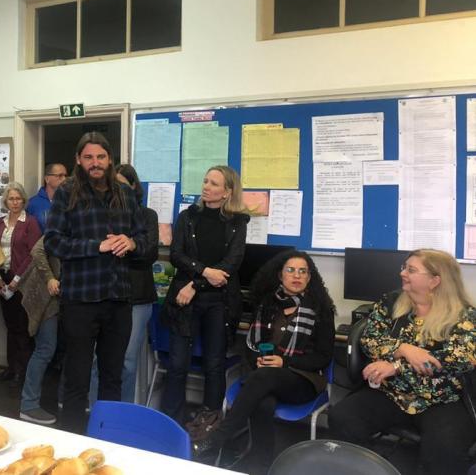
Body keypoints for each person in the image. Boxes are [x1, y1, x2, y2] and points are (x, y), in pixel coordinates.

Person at [329, 249, 476, 475]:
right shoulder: (391, 302)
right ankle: (370, 469)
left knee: (443, 450)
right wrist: (403, 349)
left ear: (435, 280)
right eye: (404, 267)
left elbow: (458, 360)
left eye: (411, 270)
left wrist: (396, 366)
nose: (402, 273)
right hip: (392, 393)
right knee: (343, 418)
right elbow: (369, 340)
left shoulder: (465, 316)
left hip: (442, 399)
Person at [193, 251, 335, 470]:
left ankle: (218, 438)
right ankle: (261, 465)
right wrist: (258, 360)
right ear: (280, 275)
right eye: (291, 270)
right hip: (265, 377)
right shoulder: (267, 304)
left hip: (303, 380)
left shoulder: (320, 309)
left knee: (263, 378)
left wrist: (284, 362)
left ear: (309, 277)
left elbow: (322, 358)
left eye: (302, 271)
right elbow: (251, 346)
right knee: (263, 401)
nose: (296, 276)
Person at [44, 131, 146, 433]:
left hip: (118, 300)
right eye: (88, 157)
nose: (95, 163)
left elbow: (144, 239)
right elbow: (53, 242)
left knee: (113, 377)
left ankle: (107, 440)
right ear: (79, 160)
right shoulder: (67, 192)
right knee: (77, 378)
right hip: (80, 301)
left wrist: (131, 242)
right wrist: (95, 246)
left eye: (100, 157)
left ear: (110, 159)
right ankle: (74, 444)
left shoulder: (126, 194)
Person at [161, 165, 249, 430]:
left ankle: (209, 423)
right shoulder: (188, 217)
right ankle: (171, 421)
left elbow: (230, 265)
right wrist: (205, 272)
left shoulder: (237, 223)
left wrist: (195, 284)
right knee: (177, 364)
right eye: (205, 180)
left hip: (218, 302)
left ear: (227, 192)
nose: (206, 187)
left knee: (214, 363)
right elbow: (176, 255)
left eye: (214, 183)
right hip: (185, 301)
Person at [116, 164, 159, 403]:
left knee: (128, 360)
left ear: (133, 186)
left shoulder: (147, 215)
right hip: (109, 295)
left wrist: (127, 247)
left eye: (123, 184)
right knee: (98, 360)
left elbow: (149, 254)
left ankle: (123, 410)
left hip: (138, 297)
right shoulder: (102, 213)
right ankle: (94, 409)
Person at [0, 182, 42, 385]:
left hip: (22, 279)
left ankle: (23, 371)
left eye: (18, 198)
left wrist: (16, 280)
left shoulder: (30, 222)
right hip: (2, 277)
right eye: (11, 198)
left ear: (24, 200)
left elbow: (33, 255)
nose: (14, 202)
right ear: (6, 201)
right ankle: (11, 368)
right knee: (10, 325)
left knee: (22, 327)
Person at [17, 236, 61, 425]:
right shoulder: (64, 217)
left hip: (59, 296)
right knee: (45, 349)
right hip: (46, 295)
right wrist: (50, 277)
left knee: (54, 349)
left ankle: (63, 399)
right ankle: (28, 405)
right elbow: (37, 250)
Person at [26, 163, 68, 230]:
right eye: (60, 175)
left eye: (65, 175)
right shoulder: (32, 204)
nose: (64, 179)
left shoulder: (71, 201)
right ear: (47, 179)